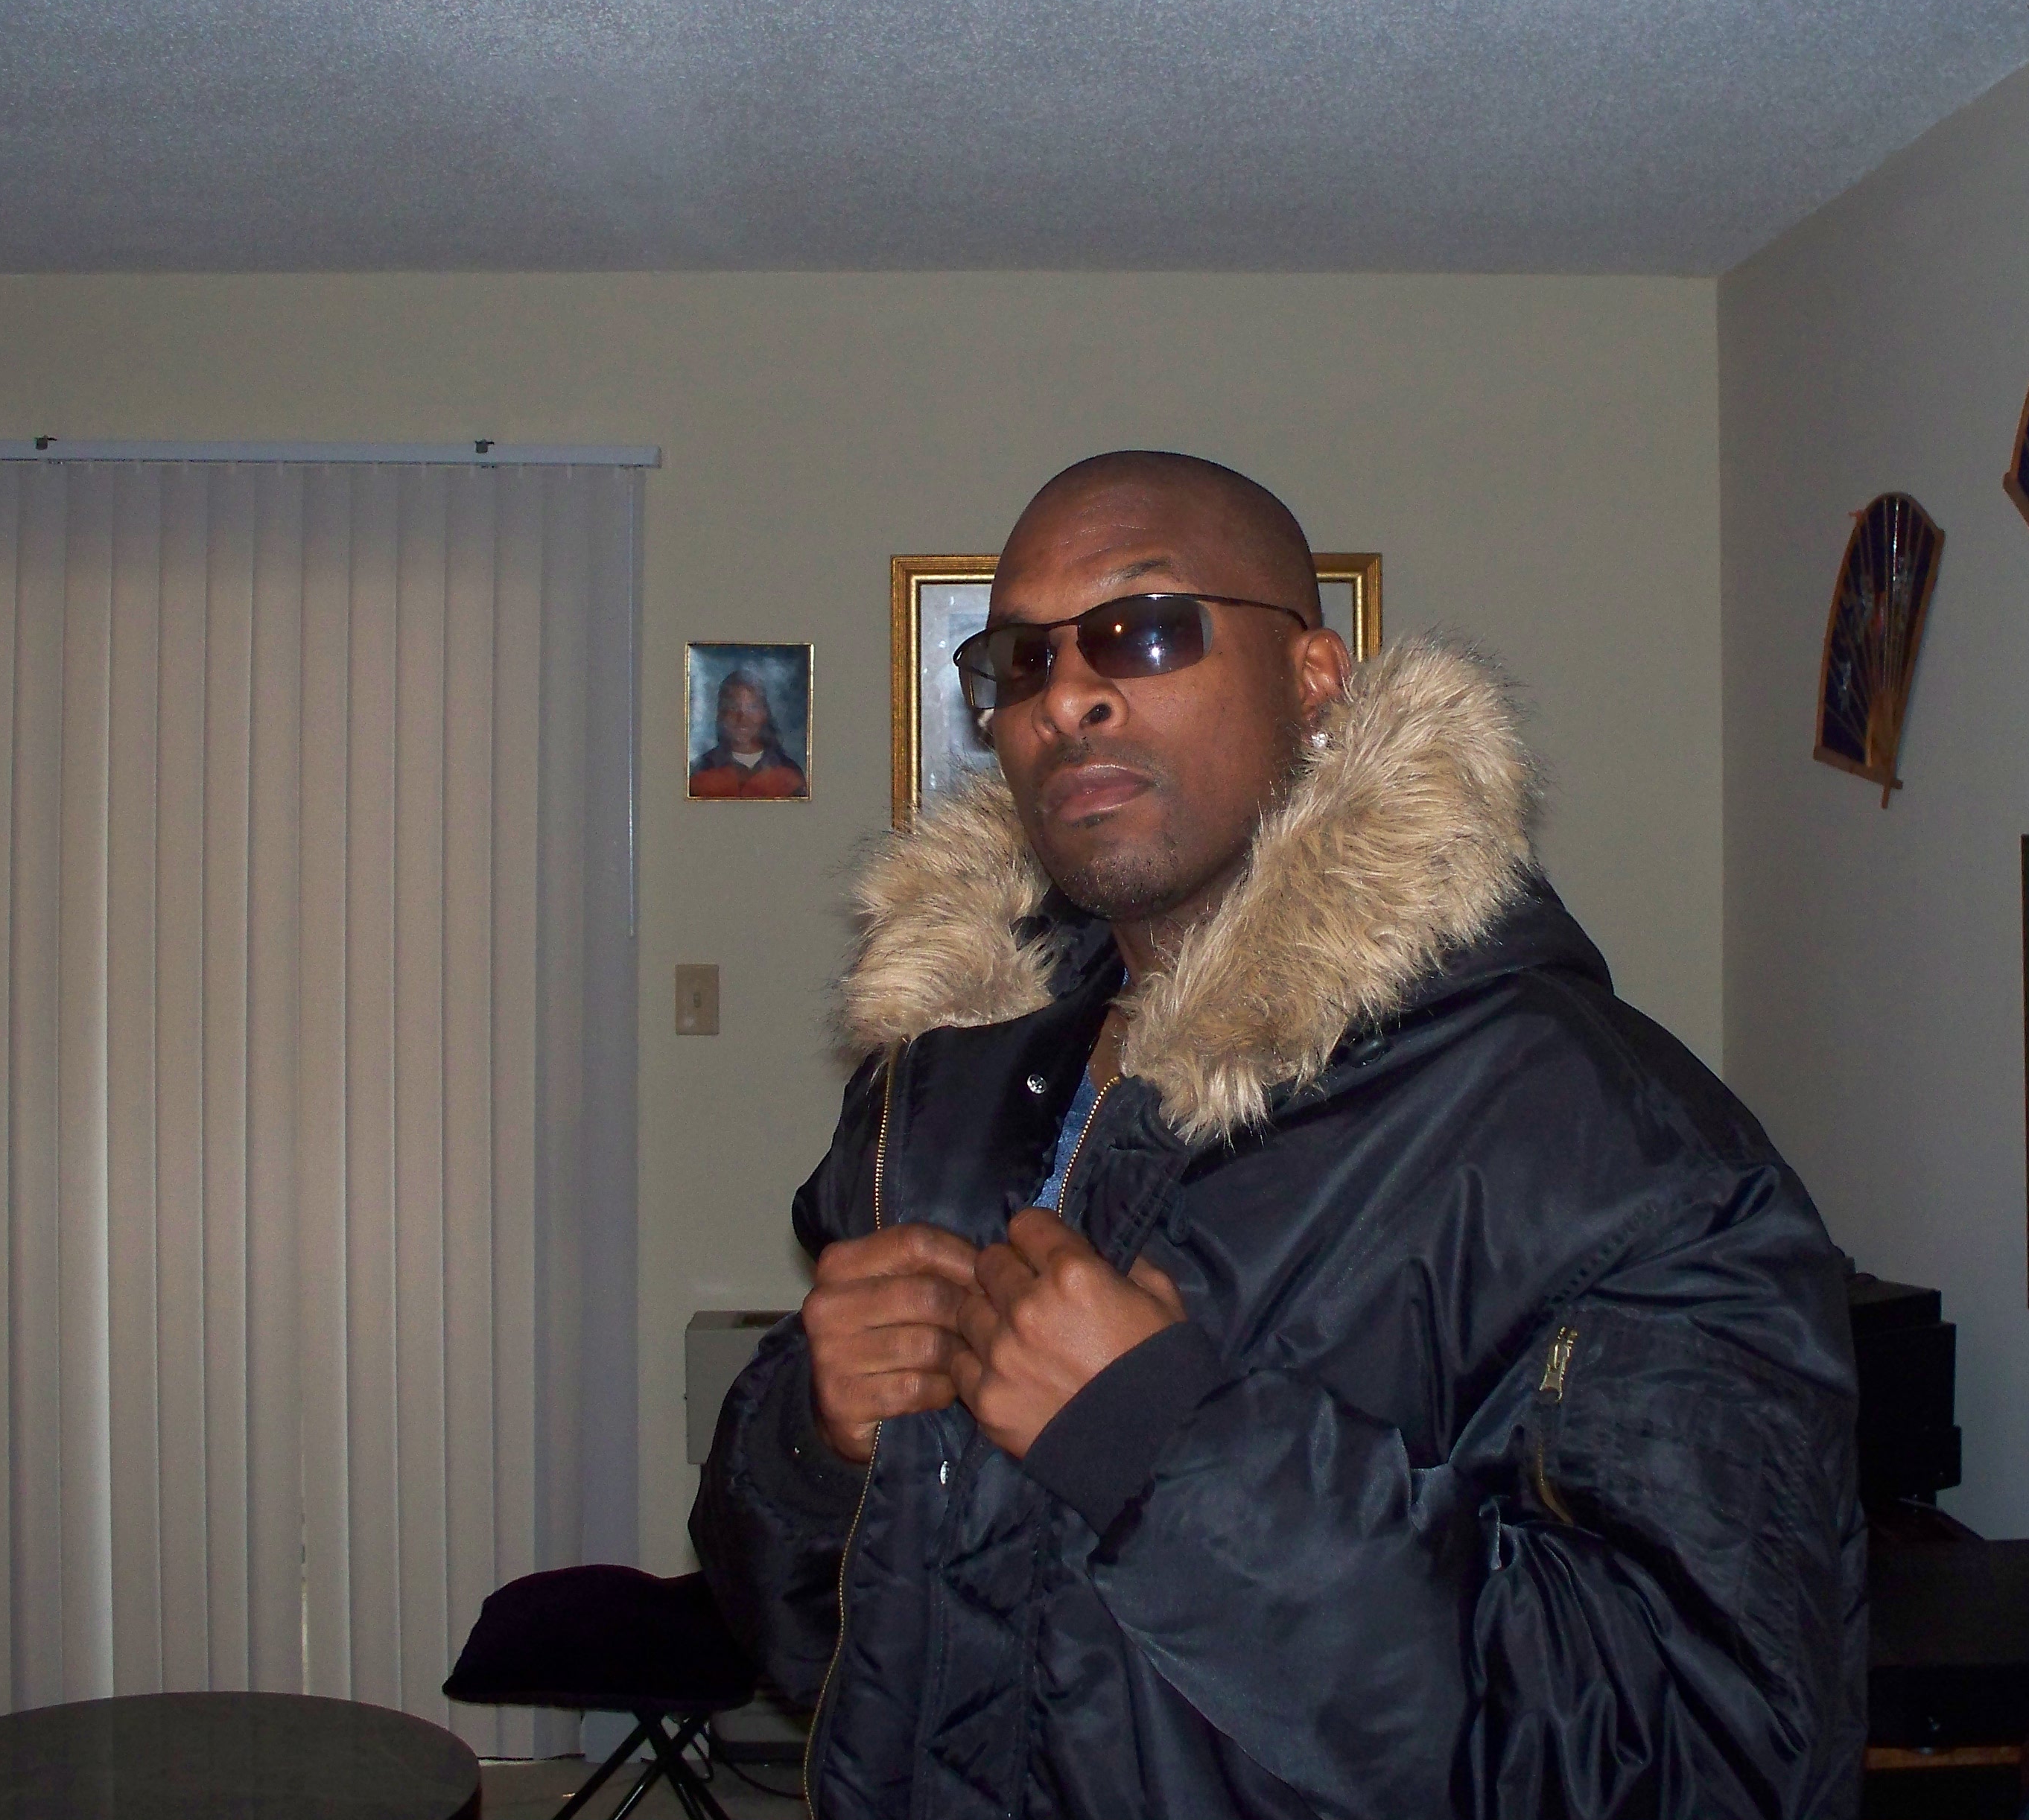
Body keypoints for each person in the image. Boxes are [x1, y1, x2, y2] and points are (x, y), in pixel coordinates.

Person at [692, 451, 1865, 1818]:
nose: (1066, 696)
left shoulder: (1603, 1141)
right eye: (1020, 660)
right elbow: (806, 1643)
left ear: (1315, 682)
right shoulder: (935, 1104)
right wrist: (807, 1446)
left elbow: (1709, 1763)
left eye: (1144, 630)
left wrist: (1162, 1450)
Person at [690, 669, 807, 799]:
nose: (742, 718)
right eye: (733, 708)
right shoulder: (700, 773)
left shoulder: (790, 775)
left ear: (765, 713)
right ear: (721, 714)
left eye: (752, 707)